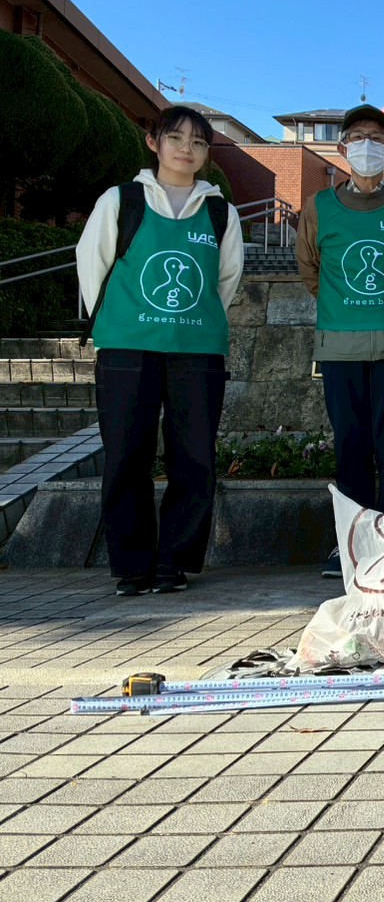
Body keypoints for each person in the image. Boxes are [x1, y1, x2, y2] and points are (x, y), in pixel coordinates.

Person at [76, 105, 244, 595]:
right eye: (176, 138)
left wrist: (188, 321)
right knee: (127, 454)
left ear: (206, 153)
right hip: (127, 348)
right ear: (154, 142)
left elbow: (226, 280)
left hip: (197, 351)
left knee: (194, 457)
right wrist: (122, 322)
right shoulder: (121, 200)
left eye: (197, 142)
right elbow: (93, 266)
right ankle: (132, 566)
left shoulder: (220, 211)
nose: (186, 149)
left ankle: (174, 562)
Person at [297, 104, 384, 575]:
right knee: (350, 447)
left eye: (377, 138)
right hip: (341, 349)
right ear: (342, 148)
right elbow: (311, 270)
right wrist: (348, 305)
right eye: (358, 137)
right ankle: (353, 545)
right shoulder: (319, 208)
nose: (367, 146)